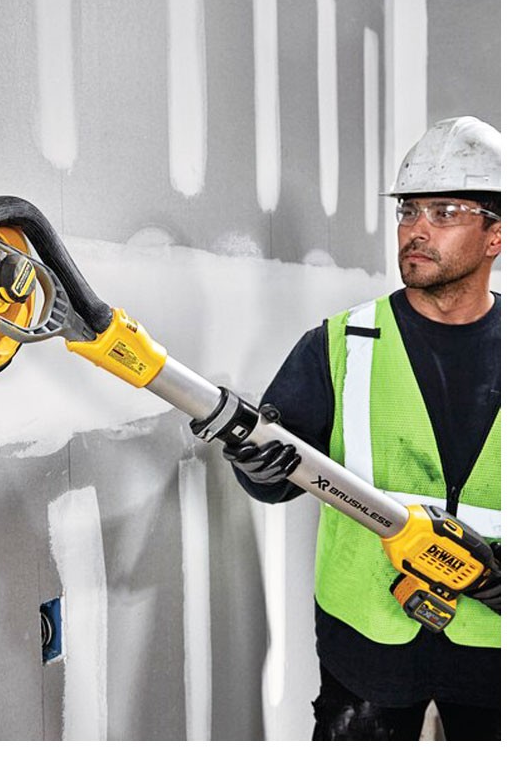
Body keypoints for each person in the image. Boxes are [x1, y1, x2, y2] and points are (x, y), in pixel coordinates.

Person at [201, 116, 501, 740]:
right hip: (365, 642)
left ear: (494, 233)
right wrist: (255, 466)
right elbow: (275, 480)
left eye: (445, 212)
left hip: (498, 646)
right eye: (408, 211)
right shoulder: (339, 344)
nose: (416, 229)